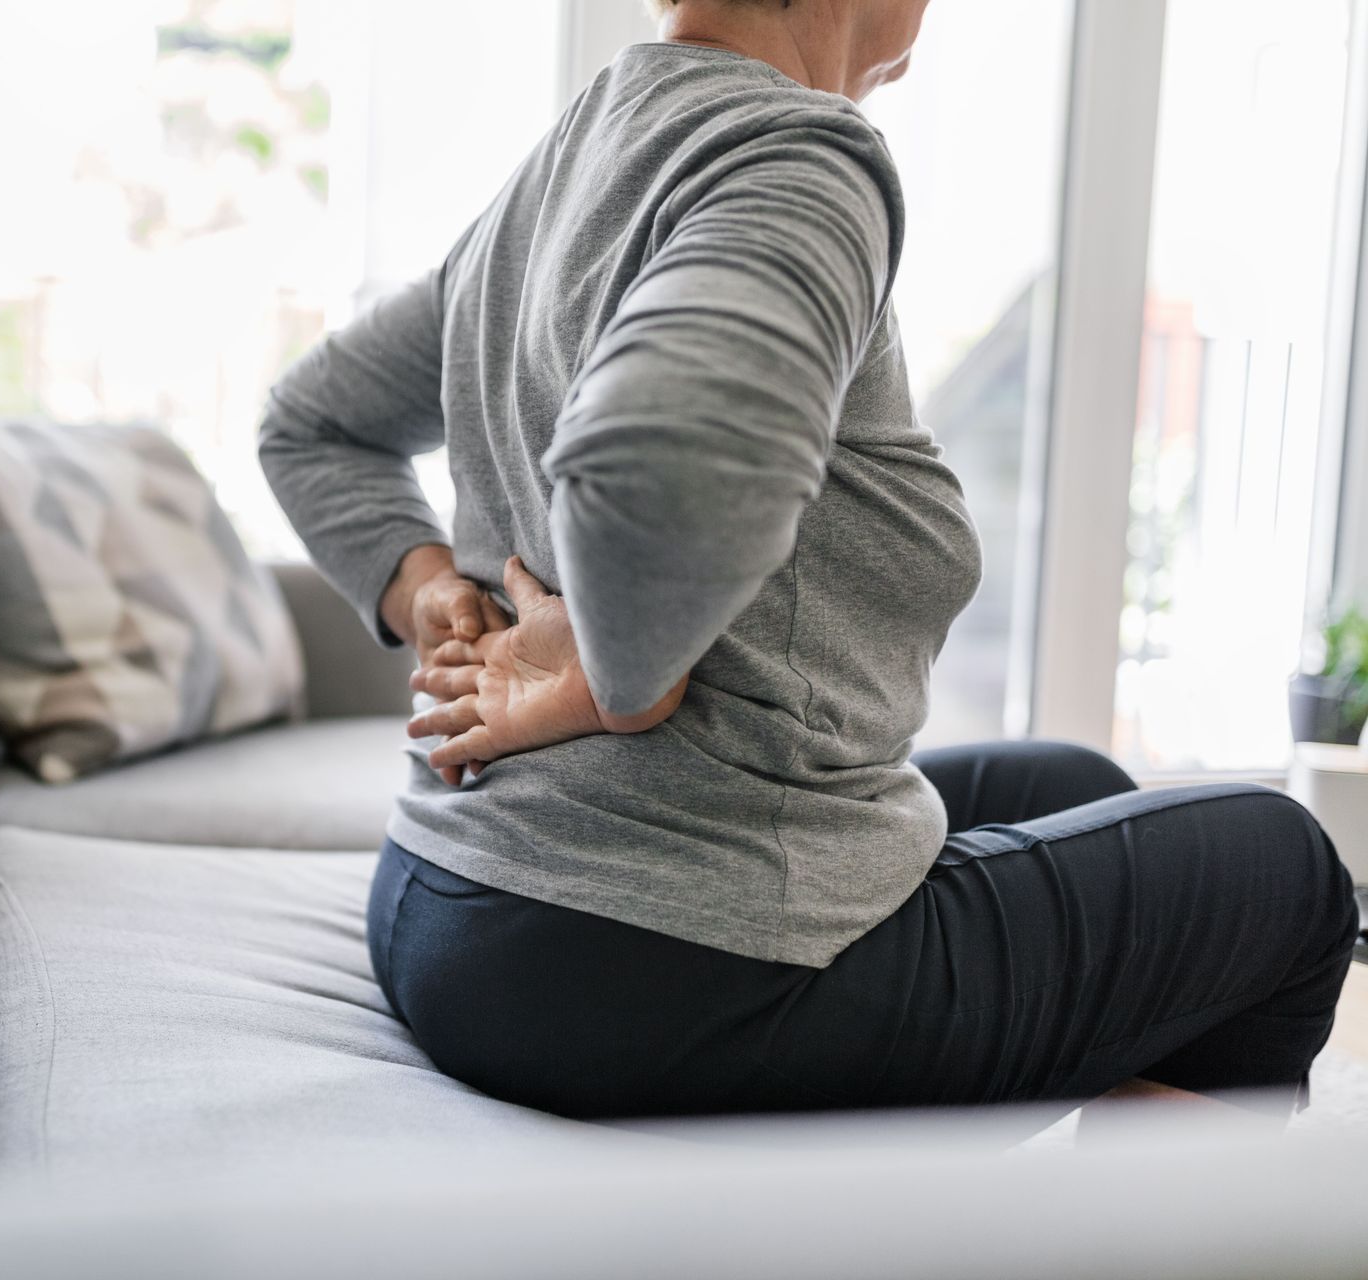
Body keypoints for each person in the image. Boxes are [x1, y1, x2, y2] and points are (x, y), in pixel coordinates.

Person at [258, 0, 1359, 1125]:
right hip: (653, 955)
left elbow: (308, 420)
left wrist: (431, 587)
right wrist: (616, 673)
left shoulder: (567, 163)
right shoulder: (797, 156)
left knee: (1066, 785)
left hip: (449, 900)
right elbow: (658, 459)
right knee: (1285, 871)